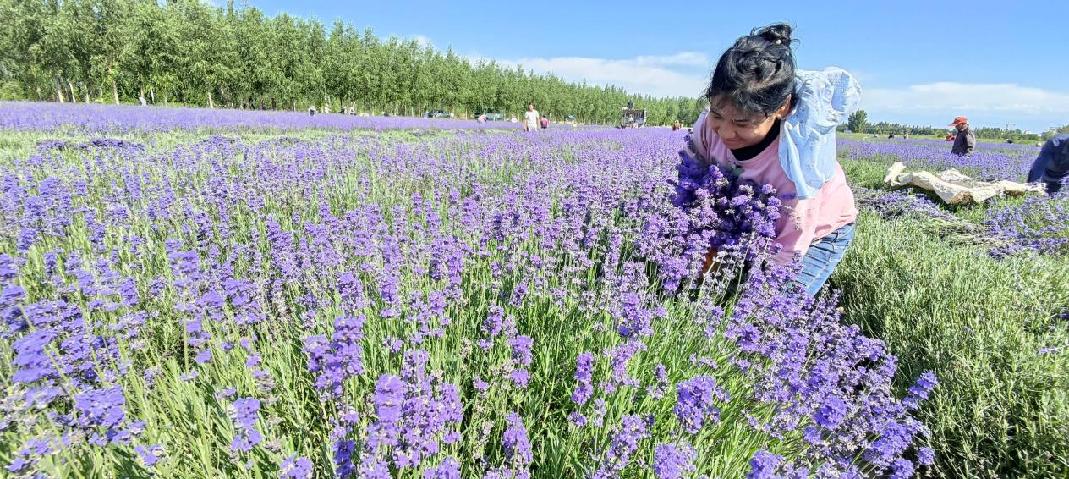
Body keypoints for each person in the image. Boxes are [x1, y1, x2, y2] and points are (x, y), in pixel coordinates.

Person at [684, 23, 861, 296]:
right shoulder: (707, 129)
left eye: (743, 123)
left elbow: (791, 244)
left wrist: (762, 291)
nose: (727, 132)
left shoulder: (795, 164)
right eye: (717, 115)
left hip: (815, 232)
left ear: (782, 108)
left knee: (773, 308)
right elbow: (691, 185)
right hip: (750, 221)